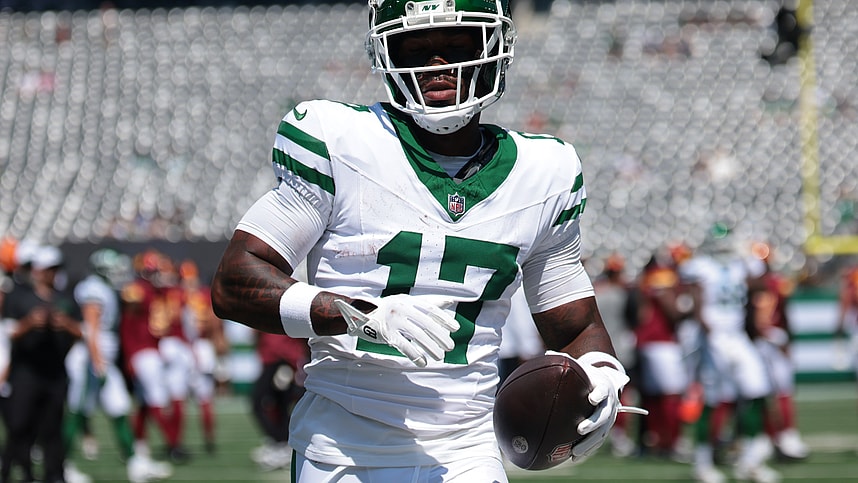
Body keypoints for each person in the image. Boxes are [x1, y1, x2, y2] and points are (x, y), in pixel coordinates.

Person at [211, 1, 637, 481]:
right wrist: (359, 315)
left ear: (495, 50)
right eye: (417, 49)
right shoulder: (338, 140)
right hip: (342, 446)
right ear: (387, 55)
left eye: (458, 47)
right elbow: (234, 281)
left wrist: (602, 376)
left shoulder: (546, 173)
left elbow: (576, 326)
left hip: (467, 447)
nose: (440, 65)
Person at [679, 224, 779, 483]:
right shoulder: (702, 267)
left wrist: (748, 256)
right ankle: (702, 463)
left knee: (757, 389)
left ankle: (750, 460)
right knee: (712, 399)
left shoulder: (741, 264)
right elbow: (696, 299)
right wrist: (707, 329)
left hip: (737, 337)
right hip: (714, 338)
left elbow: (760, 278)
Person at [65, 248, 173, 483]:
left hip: (101, 360)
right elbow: (91, 329)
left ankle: (135, 462)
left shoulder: (102, 288)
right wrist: (98, 363)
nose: (119, 274)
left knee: (119, 408)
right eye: (113, 269)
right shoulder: (93, 289)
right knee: (77, 410)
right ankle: (62, 464)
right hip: (90, 360)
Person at [0, 245, 82, 483]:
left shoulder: (64, 298)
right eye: (48, 269)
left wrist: (65, 324)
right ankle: (17, 472)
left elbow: (81, 332)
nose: (52, 274)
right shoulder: (19, 296)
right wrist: (29, 323)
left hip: (55, 371)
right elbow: (8, 333)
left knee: (53, 429)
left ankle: (54, 474)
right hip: (26, 372)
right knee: (20, 425)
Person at [745, 242, 810, 461]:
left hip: (772, 339)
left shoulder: (777, 284)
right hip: (755, 341)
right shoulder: (745, 284)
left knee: (781, 389)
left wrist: (784, 339)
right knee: (758, 392)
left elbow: (784, 314)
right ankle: (764, 436)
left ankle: (784, 435)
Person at [249, 329, 309, 471]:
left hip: (282, 358)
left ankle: (281, 443)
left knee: (264, 403)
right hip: (274, 357)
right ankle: (280, 442)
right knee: (277, 405)